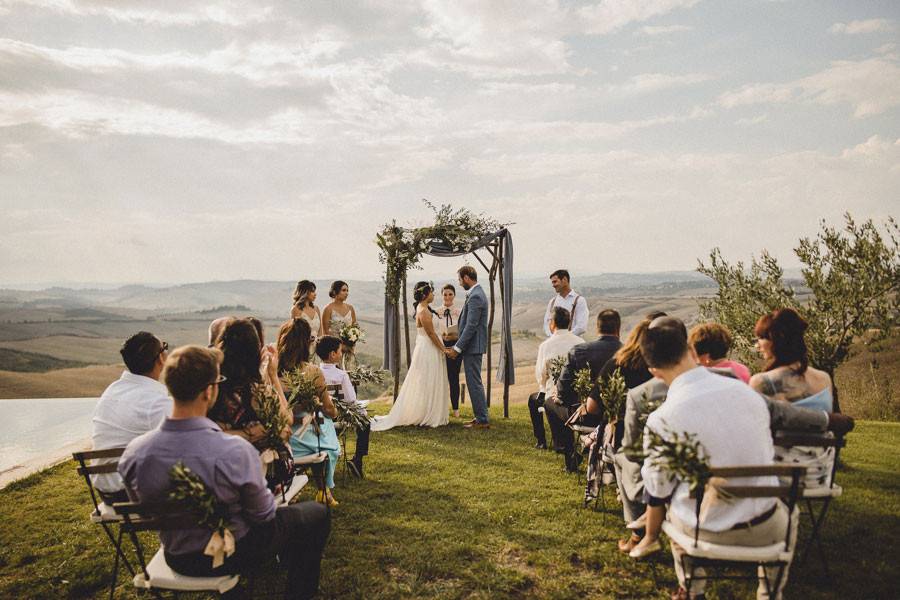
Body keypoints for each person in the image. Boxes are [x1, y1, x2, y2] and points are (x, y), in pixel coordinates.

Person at [118, 345, 330, 600]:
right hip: (237, 552)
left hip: (178, 556)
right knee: (317, 513)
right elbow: (263, 515)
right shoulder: (233, 451)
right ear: (209, 391)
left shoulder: (134, 454)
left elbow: (145, 510)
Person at [639, 316, 798, 600]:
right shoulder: (748, 394)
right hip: (765, 528)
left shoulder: (660, 419)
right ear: (690, 351)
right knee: (792, 513)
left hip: (703, 532)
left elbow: (658, 488)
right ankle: (768, 593)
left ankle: (692, 589)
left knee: (674, 506)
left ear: (654, 371)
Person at [751, 308, 836, 489]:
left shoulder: (762, 382)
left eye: (761, 338)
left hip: (780, 475)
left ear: (777, 339)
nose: (757, 345)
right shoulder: (824, 378)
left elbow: (752, 433)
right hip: (820, 475)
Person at [91, 331, 170, 503]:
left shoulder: (114, 388)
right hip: (130, 491)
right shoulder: (155, 401)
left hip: (105, 490)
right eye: (164, 347)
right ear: (160, 359)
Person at [277, 318, 341, 507]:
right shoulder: (312, 372)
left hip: (280, 437)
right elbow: (329, 410)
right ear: (306, 344)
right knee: (326, 426)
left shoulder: (271, 371)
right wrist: (333, 411)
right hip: (304, 440)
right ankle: (323, 490)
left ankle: (296, 484)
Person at [549, 309, 622, 470]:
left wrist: (558, 395)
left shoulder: (579, 351)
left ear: (597, 329)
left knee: (550, 403)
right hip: (618, 418)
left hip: (586, 415)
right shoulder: (628, 354)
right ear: (618, 329)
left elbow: (563, 390)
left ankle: (569, 455)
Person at [372, 282, 450, 430]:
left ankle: (426, 409)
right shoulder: (424, 312)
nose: (433, 295)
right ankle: (427, 413)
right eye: (432, 292)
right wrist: (443, 349)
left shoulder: (424, 309)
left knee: (428, 379)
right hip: (428, 348)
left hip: (426, 346)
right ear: (426, 295)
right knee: (428, 379)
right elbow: (431, 334)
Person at [528, 307, 584, 449]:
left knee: (533, 400)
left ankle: (541, 441)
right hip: (578, 396)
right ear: (569, 323)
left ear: (552, 324)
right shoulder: (581, 342)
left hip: (553, 395)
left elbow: (540, 375)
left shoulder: (545, 346)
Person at [315, 335, 370, 478]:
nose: (341, 354)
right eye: (340, 351)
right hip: (336, 417)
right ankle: (357, 460)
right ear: (333, 354)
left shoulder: (313, 372)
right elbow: (350, 399)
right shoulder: (341, 375)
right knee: (365, 422)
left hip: (317, 418)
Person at [447, 267, 490, 429]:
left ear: (466, 278)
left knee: (474, 383)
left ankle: (482, 419)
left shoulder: (476, 296)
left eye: (459, 280)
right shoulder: (475, 294)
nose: (459, 283)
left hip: (473, 347)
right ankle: (480, 416)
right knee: (473, 382)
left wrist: (457, 348)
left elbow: (471, 326)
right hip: (472, 346)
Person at [436, 284, 463, 418]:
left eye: (450, 294)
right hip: (440, 346)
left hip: (455, 347)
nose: (447, 297)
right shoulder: (437, 312)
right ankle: (440, 408)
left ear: (454, 296)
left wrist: (455, 336)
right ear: (441, 296)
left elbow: (463, 331)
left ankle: (456, 409)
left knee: (454, 377)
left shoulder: (459, 312)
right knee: (440, 377)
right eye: (445, 294)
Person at [542, 269, 589, 338]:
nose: (553, 285)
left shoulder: (579, 300)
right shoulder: (552, 301)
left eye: (555, 282)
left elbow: (581, 327)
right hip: (555, 345)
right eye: (552, 283)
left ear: (564, 279)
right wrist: (552, 337)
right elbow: (546, 324)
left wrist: (564, 338)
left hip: (573, 345)